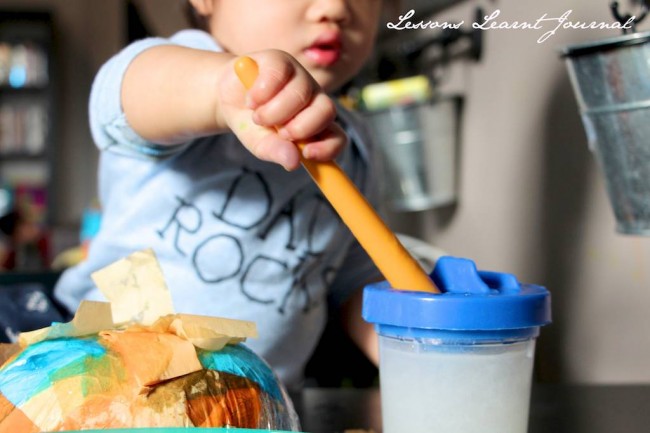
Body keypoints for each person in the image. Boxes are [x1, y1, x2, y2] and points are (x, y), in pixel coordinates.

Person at [54, 0, 385, 390]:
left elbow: (352, 277)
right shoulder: (187, 75)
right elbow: (123, 96)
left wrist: (417, 344)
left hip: (256, 409)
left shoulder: (356, 148)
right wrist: (220, 89)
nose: (335, 8)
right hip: (108, 388)